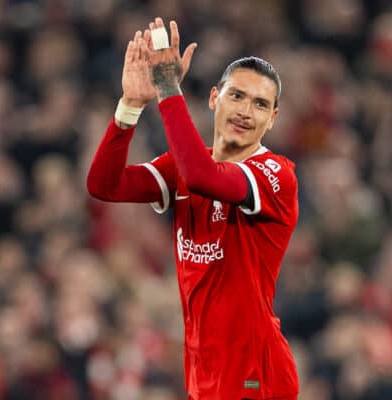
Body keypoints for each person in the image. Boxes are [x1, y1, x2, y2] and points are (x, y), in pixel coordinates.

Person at [87, 17, 299, 400]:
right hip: (204, 370)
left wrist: (168, 89)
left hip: (255, 372)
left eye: (260, 104)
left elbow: (203, 177)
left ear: (272, 119)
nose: (246, 112)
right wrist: (131, 106)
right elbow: (104, 185)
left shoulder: (275, 174)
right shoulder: (186, 165)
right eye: (237, 96)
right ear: (214, 97)